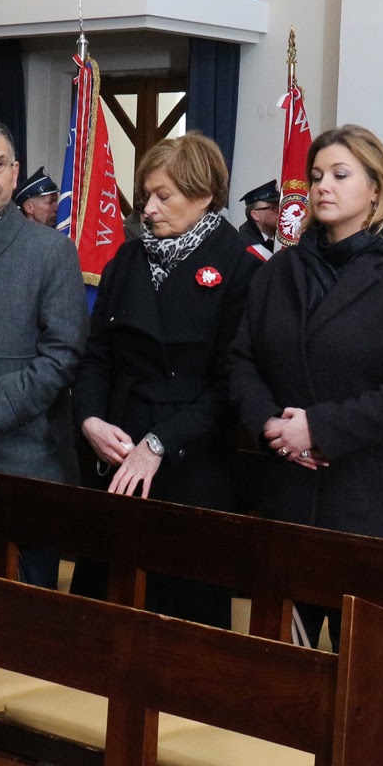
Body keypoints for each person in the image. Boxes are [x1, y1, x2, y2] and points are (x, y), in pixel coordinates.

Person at [227, 124, 383, 647]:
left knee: (360, 667)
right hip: (289, 490)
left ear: (376, 189)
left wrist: (319, 428)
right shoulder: (279, 271)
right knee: (282, 664)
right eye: (317, 175)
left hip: (366, 499)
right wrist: (270, 425)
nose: (322, 186)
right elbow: (241, 360)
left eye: (340, 175)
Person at [74, 133, 259, 626]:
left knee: (185, 614)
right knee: (104, 605)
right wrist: (90, 419)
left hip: (192, 456)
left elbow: (231, 382)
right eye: (145, 196)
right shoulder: (127, 260)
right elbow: (97, 354)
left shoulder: (240, 265)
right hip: (119, 442)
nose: (148, 210)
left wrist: (159, 443)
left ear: (203, 196)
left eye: (163, 196)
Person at [0, 118, 88, 588]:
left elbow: (61, 357)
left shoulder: (51, 252)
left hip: (25, 463)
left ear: (15, 172)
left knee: (21, 619)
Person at [237, 181, 281, 259]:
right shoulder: (244, 250)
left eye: (279, 205)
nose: (279, 210)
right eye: (273, 207)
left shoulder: (282, 236)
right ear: (255, 215)